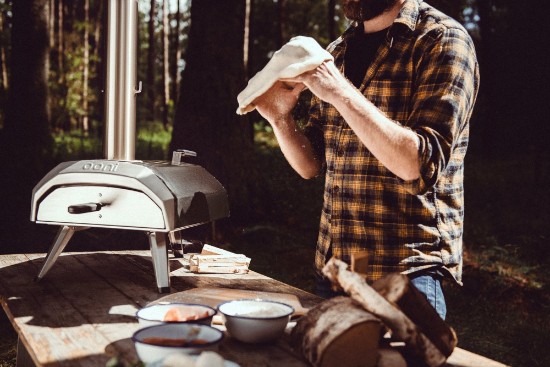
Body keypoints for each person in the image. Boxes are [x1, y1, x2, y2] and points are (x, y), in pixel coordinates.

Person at [253, 0, 479, 320]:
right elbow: (311, 164)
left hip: (405, 276)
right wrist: (280, 120)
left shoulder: (442, 40)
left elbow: (417, 164)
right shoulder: (337, 51)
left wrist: (339, 91)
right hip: (334, 271)